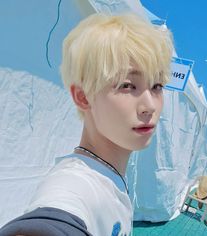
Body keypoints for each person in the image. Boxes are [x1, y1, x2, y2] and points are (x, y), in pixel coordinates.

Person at [0, 13, 173, 236]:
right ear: (83, 97)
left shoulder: (108, 175)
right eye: (127, 85)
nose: (149, 105)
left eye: (157, 85)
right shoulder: (73, 188)